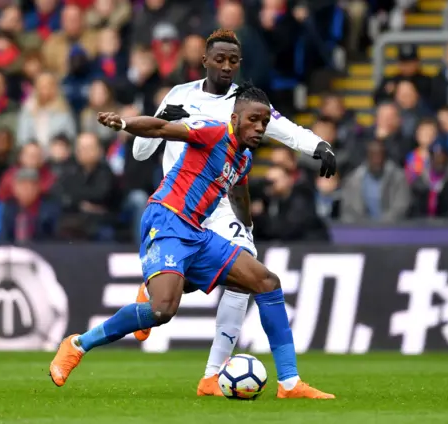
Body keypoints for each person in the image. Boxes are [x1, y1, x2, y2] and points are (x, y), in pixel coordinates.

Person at [49, 82, 335, 400]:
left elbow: (239, 195)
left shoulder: (243, 160)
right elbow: (159, 127)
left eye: (265, 123)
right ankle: (78, 344)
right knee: (163, 310)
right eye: (254, 119)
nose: (260, 127)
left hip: (197, 233)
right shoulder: (211, 132)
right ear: (235, 118)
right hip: (167, 219)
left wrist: (248, 227)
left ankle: (290, 383)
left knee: (266, 281)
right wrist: (125, 123)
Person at [127, 28, 336, 397]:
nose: (226, 67)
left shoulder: (245, 103)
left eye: (233, 61)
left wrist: (318, 145)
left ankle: (213, 375)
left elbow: (284, 129)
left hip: (221, 204)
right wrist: (160, 123)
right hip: (179, 206)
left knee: (248, 275)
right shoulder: (179, 95)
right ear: (205, 60)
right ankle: (153, 289)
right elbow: (140, 154)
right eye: (219, 59)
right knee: (187, 287)